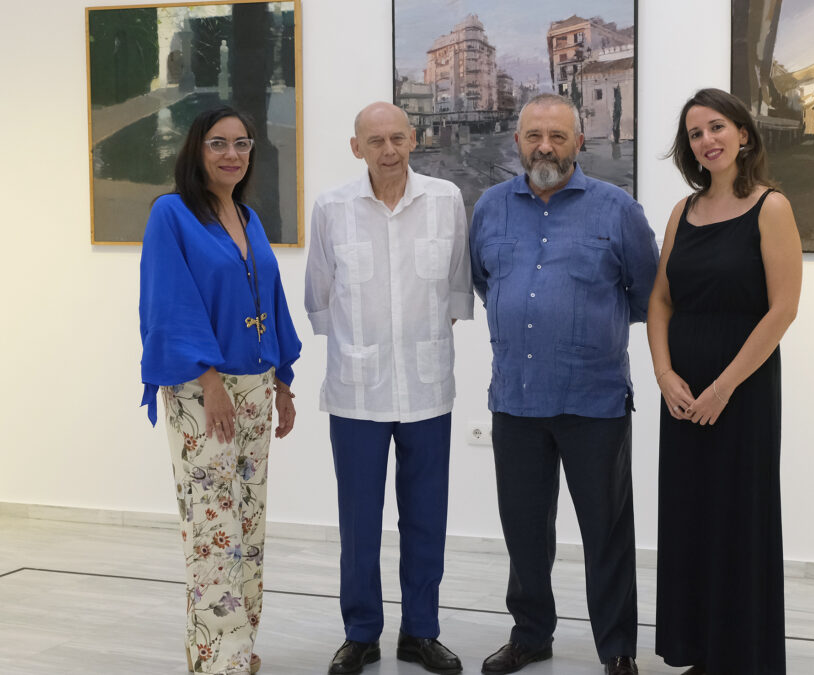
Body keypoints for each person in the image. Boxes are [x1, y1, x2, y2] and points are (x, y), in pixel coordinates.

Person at [471, 94, 659, 675]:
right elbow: (485, 283)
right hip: (516, 400)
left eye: (557, 135)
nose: (544, 147)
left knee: (606, 531)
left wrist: (581, 331)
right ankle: (531, 635)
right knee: (525, 531)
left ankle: (617, 649)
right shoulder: (490, 208)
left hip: (594, 399)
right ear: (517, 140)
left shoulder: (617, 209)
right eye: (533, 135)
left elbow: (647, 295)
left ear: (579, 142)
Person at [304, 102, 472, 675]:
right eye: (375, 140)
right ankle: (361, 633)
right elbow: (320, 297)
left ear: (414, 139)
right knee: (358, 520)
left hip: (428, 389)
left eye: (398, 137)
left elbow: (455, 288)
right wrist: (362, 340)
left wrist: (415, 335)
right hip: (356, 393)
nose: (388, 150)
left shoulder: (446, 200)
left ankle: (421, 632)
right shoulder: (331, 208)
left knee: (426, 517)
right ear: (357, 148)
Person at [139, 105, 302, 675]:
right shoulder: (172, 214)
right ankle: (216, 659)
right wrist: (209, 381)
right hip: (202, 391)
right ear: (196, 150)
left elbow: (270, 299)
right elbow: (169, 302)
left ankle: (239, 646)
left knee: (250, 521)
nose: (232, 154)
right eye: (218, 143)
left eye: (242, 143)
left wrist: (283, 382)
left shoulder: (249, 216)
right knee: (213, 525)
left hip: (257, 388)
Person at [647, 88, 802, 674]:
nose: (706, 141)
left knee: (739, 513)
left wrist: (725, 387)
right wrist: (664, 373)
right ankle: (699, 650)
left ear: (743, 133)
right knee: (690, 512)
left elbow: (783, 310)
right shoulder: (681, 213)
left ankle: (743, 658)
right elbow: (661, 300)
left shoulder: (772, 207)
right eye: (694, 134)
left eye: (716, 127)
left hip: (743, 389)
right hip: (683, 391)